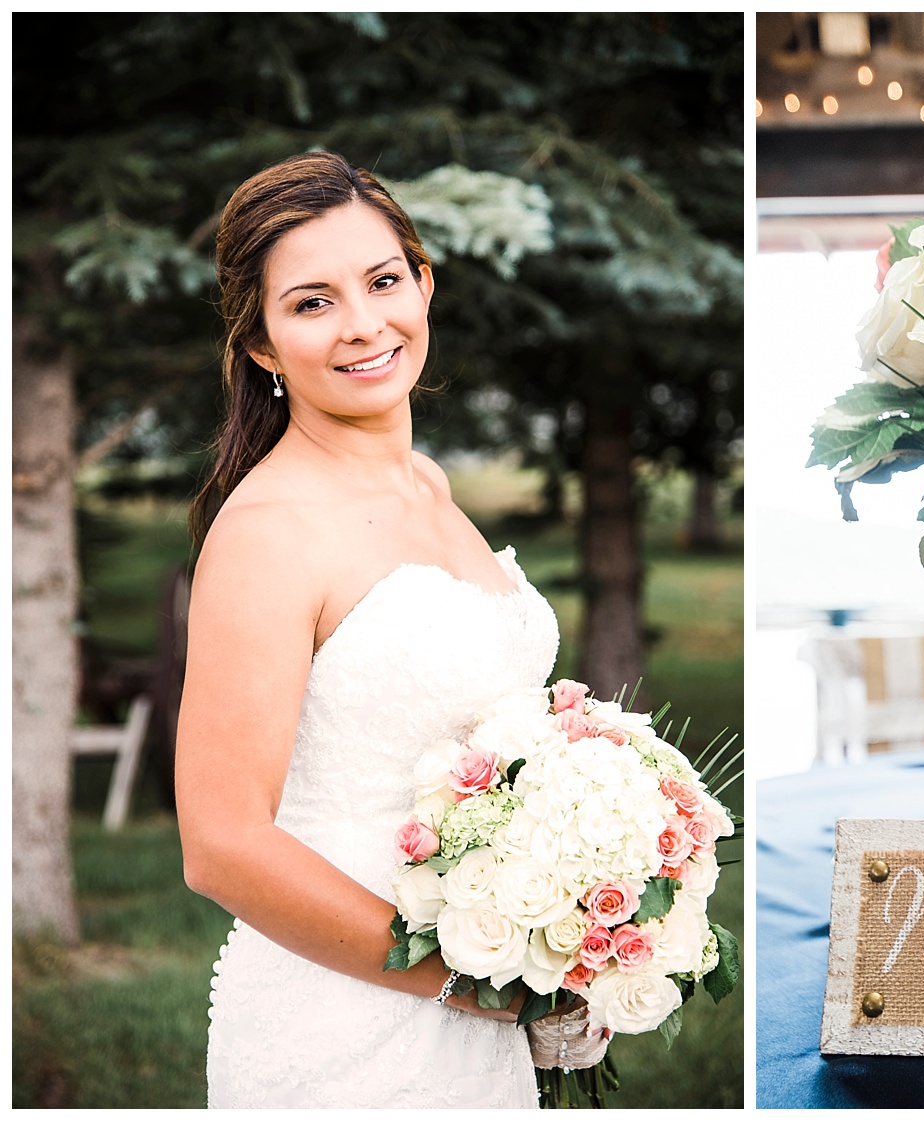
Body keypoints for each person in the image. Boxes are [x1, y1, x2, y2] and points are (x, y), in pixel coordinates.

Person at [176, 151, 559, 1107]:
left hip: (480, 997)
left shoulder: (425, 485)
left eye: (383, 281)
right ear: (261, 343)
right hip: (347, 1018)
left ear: (423, 285)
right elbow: (219, 843)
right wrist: (469, 981)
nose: (363, 324)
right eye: (311, 303)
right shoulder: (268, 533)